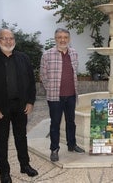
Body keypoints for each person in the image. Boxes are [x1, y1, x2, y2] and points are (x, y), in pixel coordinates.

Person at [0, 29, 38, 183]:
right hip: (0, 109)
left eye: (11, 38)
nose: (8, 41)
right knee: (1, 140)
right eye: (4, 38)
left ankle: (25, 165)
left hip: (20, 106)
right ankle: (4, 172)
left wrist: (30, 101)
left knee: (21, 137)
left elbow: (32, 82)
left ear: (14, 40)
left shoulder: (23, 58)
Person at [40, 28, 85, 162]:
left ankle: (72, 145)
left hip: (71, 95)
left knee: (71, 122)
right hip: (55, 97)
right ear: (55, 39)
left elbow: (74, 72)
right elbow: (42, 75)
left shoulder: (74, 53)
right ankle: (54, 149)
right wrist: (51, 89)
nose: (62, 39)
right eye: (59, 37)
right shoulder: (47, 55)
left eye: (65, 37)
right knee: (55, 123)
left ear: (69, 39)